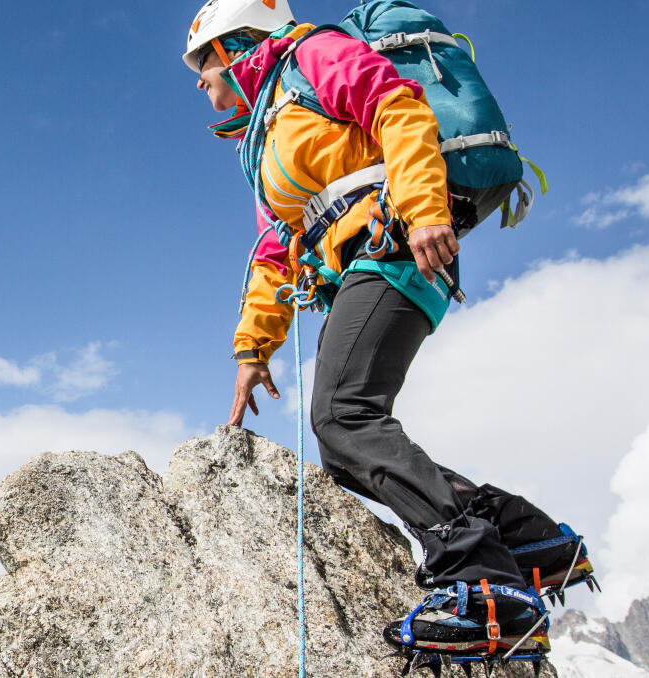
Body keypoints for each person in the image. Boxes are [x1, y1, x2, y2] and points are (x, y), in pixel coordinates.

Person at [181, 0, 596, 659]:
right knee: (346, 444)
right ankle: (531, 540)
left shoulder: (311, 56)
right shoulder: (264, 138)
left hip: (400, 239)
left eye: (201, 67)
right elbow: (274, 247)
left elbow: (395, 107)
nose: (200, 85)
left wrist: (426, 205)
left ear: (233, 48)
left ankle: (483, 583)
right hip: (372, 255)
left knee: (344, 418)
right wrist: (253, 348)